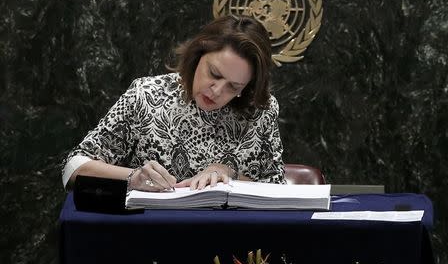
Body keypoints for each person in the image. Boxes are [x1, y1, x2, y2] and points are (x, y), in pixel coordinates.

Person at [62, 15, 285, 192]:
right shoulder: (146, 95)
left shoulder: (260, 111)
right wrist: (133, 177)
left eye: (233, 87)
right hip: (149, 235)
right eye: (214, 73)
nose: (217, 91)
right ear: (198, 55)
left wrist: (228, 173)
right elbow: (73, 168)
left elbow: (277, 190)